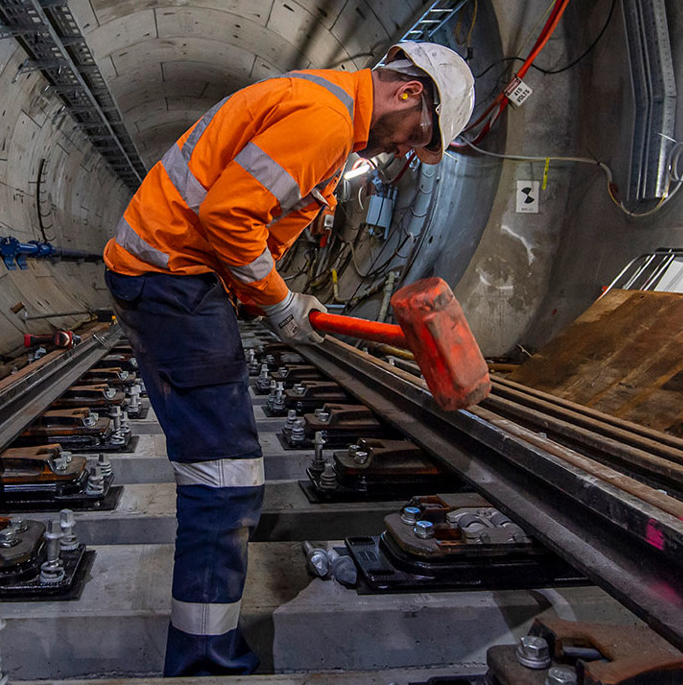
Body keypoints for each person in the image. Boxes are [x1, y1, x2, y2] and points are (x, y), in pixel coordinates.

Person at [102, 41, 475, 676]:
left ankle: (203, 648)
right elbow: (230, 215)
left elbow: (261, 222)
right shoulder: (326, 121)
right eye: (419, 136)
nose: (409, 148)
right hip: (172, 276)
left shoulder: (330, 115)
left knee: (226, 470)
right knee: (225, 475)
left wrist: (265, 296)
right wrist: (278, 304)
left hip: (174, 275)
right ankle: (203, 660)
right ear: (410, 94)